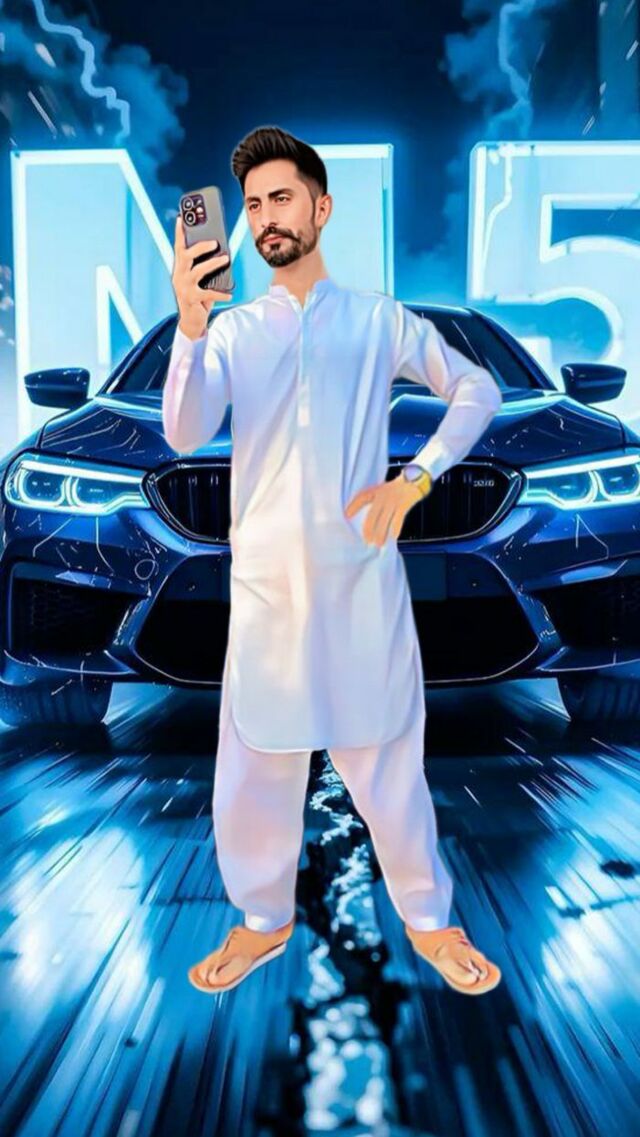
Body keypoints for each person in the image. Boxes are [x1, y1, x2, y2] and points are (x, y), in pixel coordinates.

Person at [162, 126, 503, 996]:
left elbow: (478, 388)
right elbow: (185, 430)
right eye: (252, 206)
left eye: (281, 198)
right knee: (255, 768)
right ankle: (260, 924)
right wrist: (191, 328)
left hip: (360, 581)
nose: (265, 218)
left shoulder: (380, 320)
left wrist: (415, 479)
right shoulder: (233, 332)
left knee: (388, 764)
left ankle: (430, 922)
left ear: (322, 206)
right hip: (267, 590)